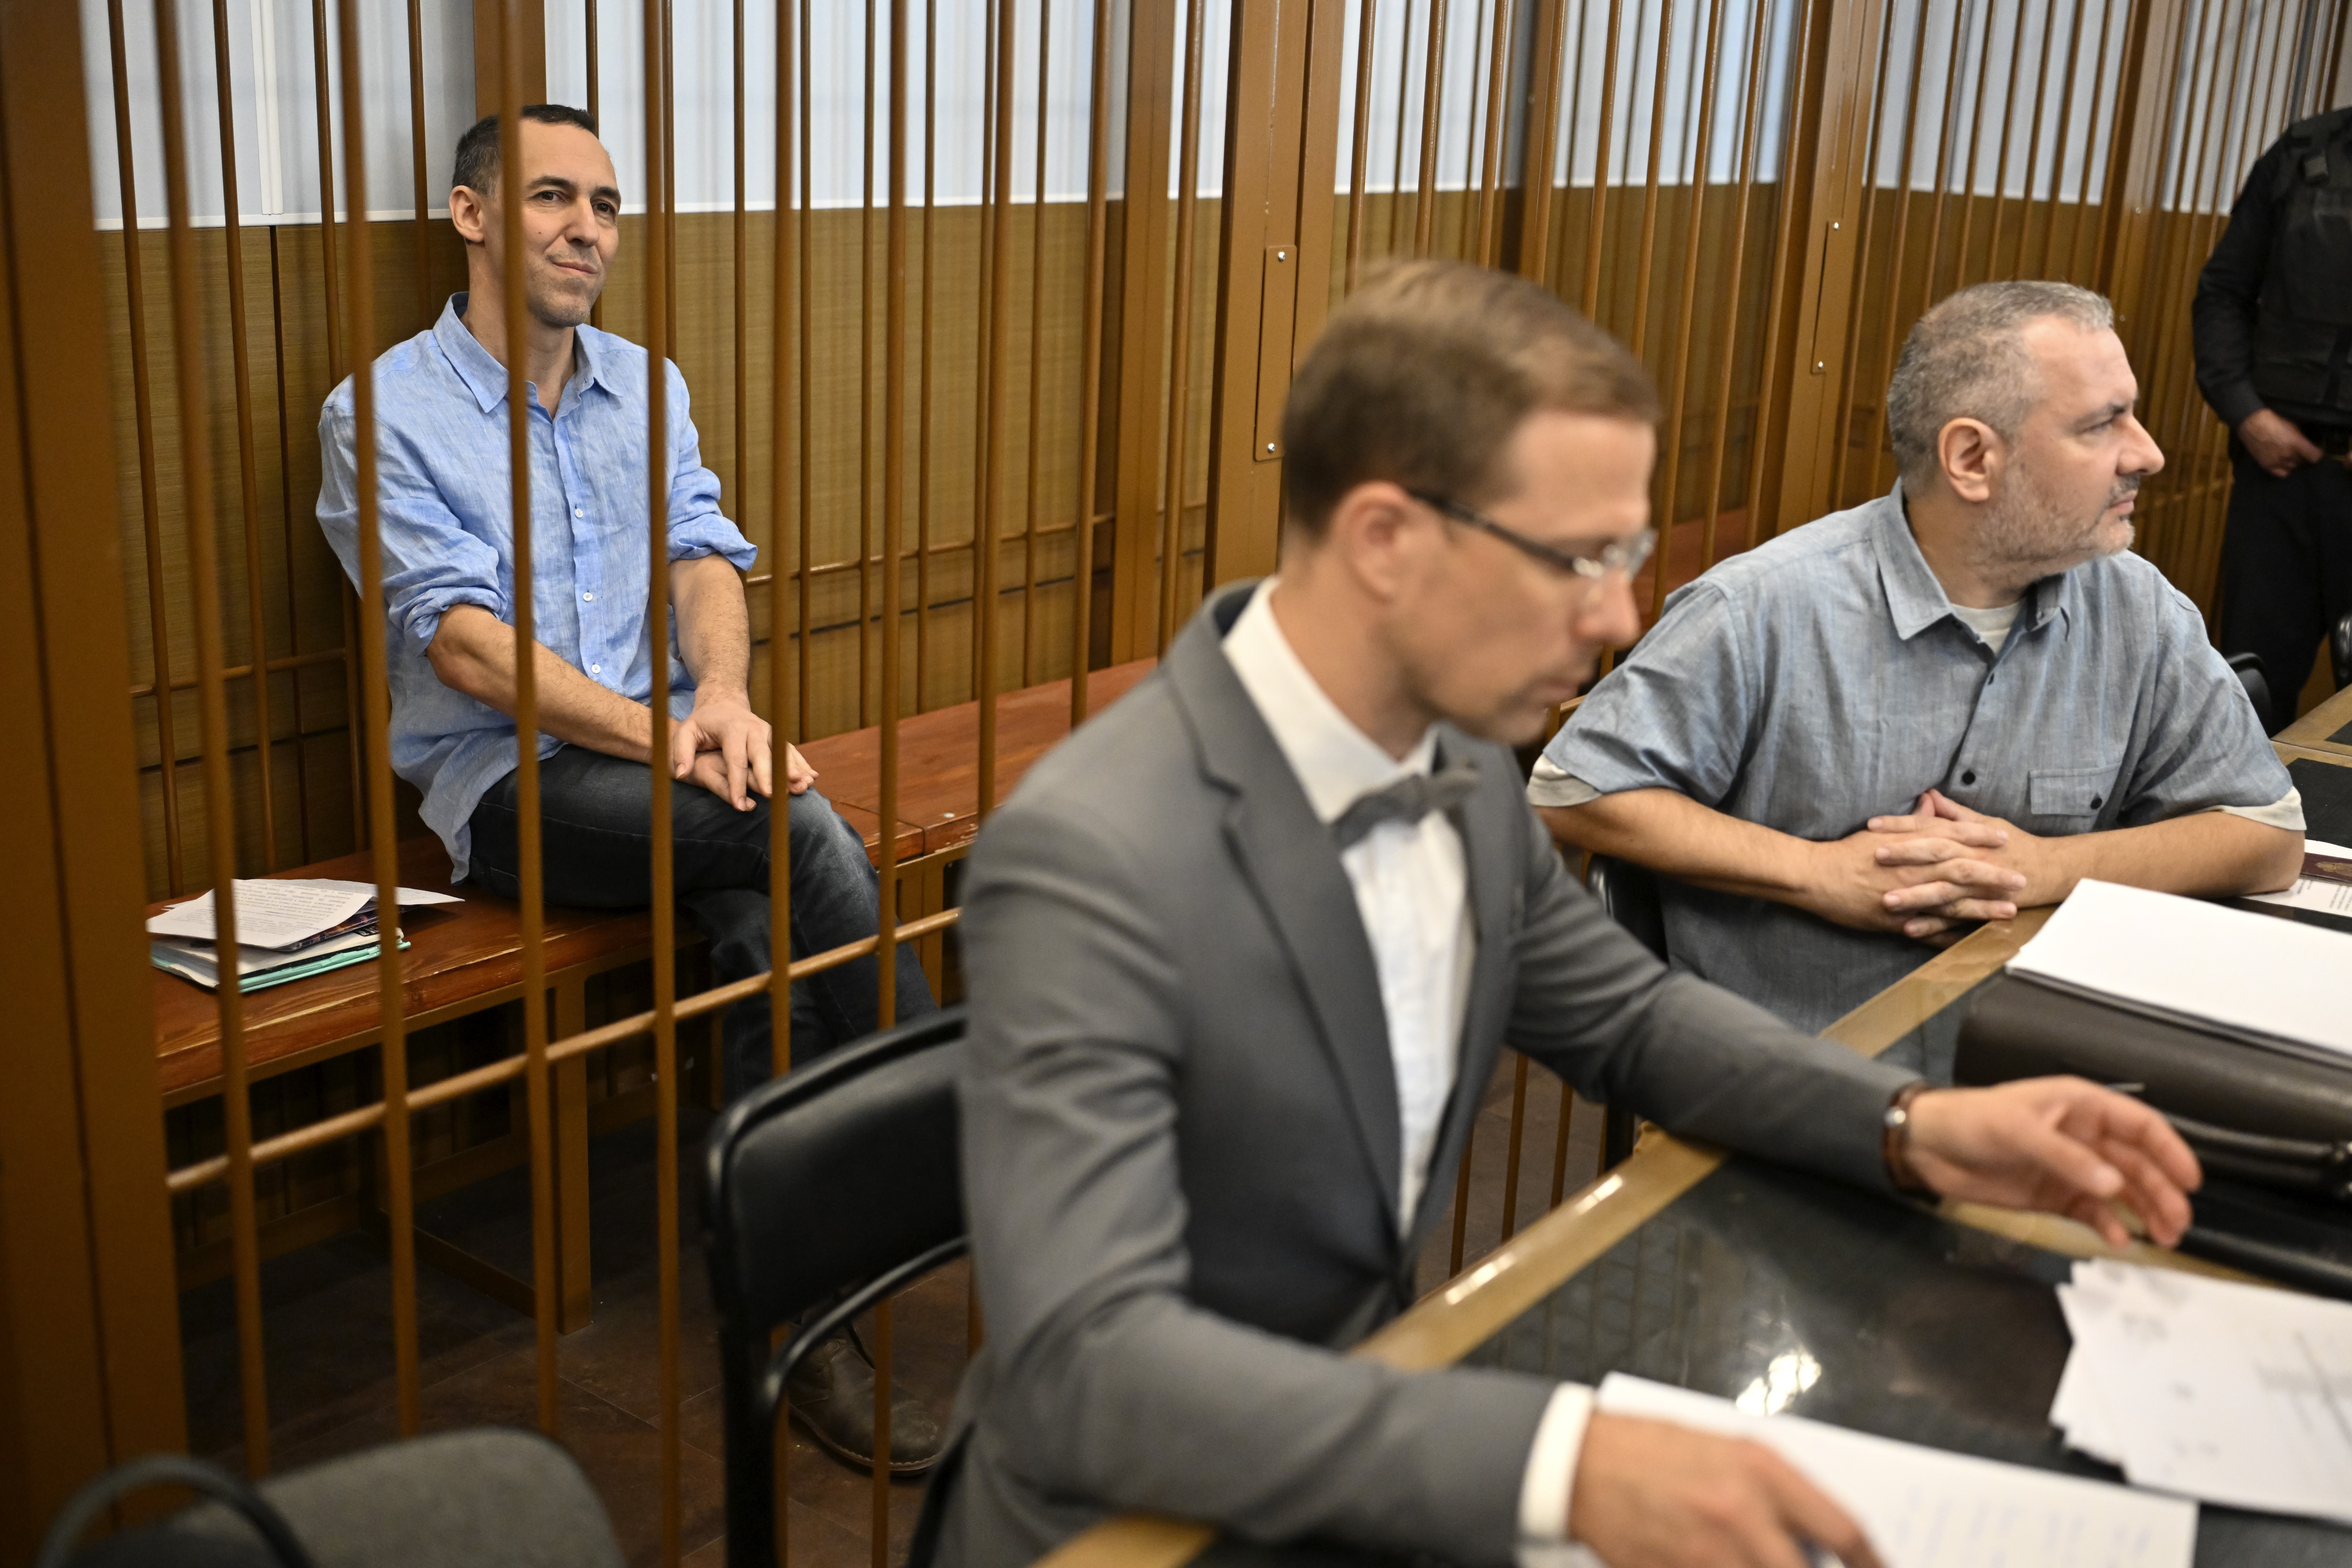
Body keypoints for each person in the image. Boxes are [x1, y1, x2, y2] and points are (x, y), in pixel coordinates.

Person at [927, 261, 2202, 1568]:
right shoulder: (1093, 850)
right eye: (1579, 560)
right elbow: (1092, 1367)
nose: (1618, 615)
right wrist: (1561, 1457)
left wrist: (1913, 1124)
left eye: (1629, 554)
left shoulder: (1460, 761)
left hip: (1366, 1429)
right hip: (1126, 1518)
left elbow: (1632, 1020)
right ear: (1385, 538)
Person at [314, 103, 939, 1473]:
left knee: (763, 920)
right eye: (551, 198)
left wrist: (719, 700)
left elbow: (705, 552)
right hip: (511, 789)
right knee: (783, 821)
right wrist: (681, 748)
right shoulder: (381, 412)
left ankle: (789, 1310)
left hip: (677, 763)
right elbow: (469, 648)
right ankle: (953, 1113)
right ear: (473, 215)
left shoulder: (644, 383)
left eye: (603, 205)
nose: (585, 229)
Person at [1533, 281, 2303, 1035]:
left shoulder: (2140, 609)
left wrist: (2043, 867)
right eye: (2103, 425)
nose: (2150, 453)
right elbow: (1572, 788)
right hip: (1788, 1085)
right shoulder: (1762, 608)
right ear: (1972, 458)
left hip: (2035, 1071)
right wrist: (1820, 874)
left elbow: (2266, 835)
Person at [2195, 104, 2352, 734]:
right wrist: (2246, 412)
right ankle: (2237, 831)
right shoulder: (2303, 151)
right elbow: (2223, 293)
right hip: (2281, 471)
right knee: (2247, 690)